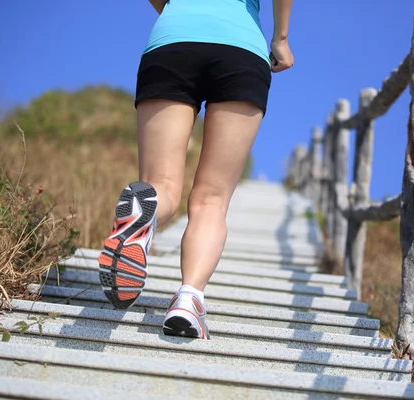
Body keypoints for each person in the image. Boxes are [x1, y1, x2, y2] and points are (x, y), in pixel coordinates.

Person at [98, 0, 294, 340]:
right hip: (240, 47)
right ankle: (188, 299)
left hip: (173, 40)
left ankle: (139, 217)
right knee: (211, 201)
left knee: (160, 186)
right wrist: (281, 37)